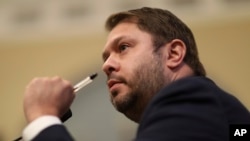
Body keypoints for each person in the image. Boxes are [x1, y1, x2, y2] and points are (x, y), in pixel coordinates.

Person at [20, 7, 250, 141]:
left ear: (174, 54)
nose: (107, 65)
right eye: (105, 57)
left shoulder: (190, 94)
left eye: (123, 48)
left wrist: (43, 118)